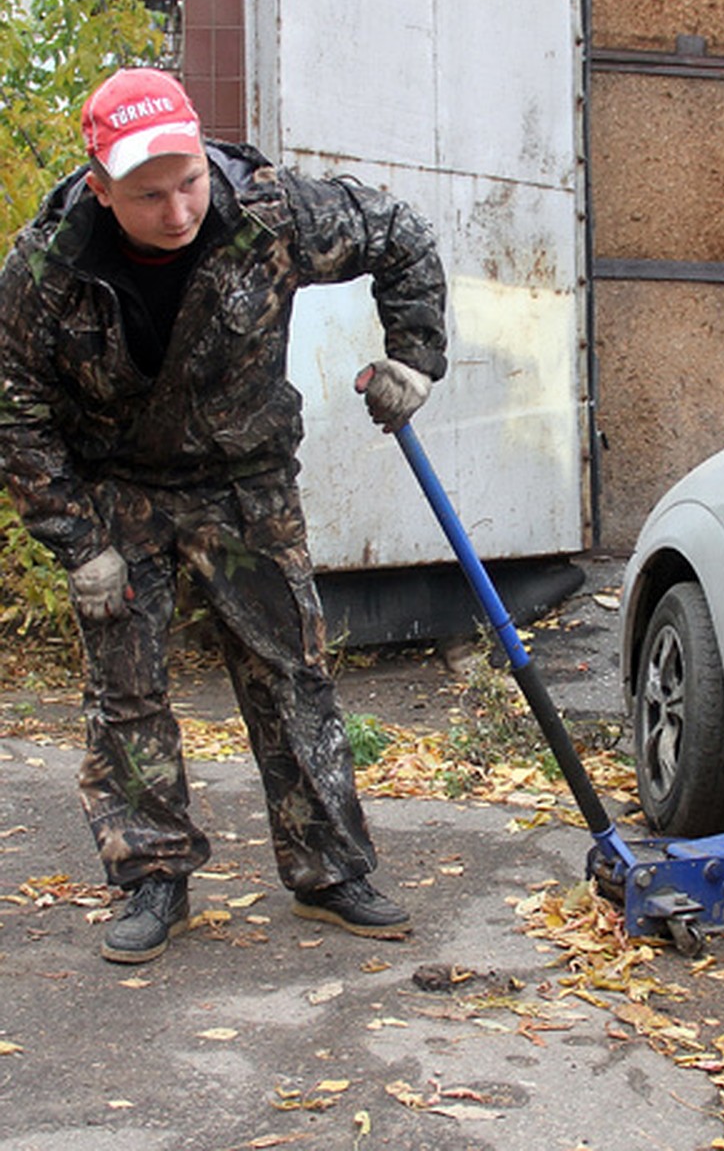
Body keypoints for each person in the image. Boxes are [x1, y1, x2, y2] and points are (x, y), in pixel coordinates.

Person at [0, 67, 447, 964]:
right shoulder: (45, 271)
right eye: (148, 195)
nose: (178, 211)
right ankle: (153, 876)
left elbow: (401, 235)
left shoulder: (274, 214)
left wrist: (417, 356)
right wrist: (76, 540)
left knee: (293, 677)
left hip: (245, 486)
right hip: (117, 491)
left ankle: (330, 872)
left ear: (206, 154)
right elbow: (14, 405)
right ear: (101, 189)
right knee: (125, 694)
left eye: (190, 181)